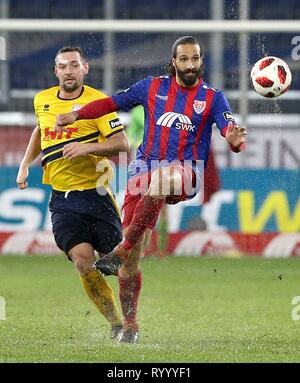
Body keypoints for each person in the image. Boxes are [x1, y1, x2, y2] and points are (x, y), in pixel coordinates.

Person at [55, 36, 247, 343]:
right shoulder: (152, 87)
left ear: (201, 61)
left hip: (186, 173)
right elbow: (112, 102)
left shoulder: (213, 97)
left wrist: (236, 142)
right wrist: (78, 114)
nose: (189, 65)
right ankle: (130, 326)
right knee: (132, 260)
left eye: (195, 59)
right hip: (143, 170)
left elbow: (230, 132)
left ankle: (121, 249)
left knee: (152, 198)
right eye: (183, 59)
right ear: (174, 62)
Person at [16, 46, 131, 341]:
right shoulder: (42, 100)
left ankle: (132, 322)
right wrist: (25, 165)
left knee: (119, 265)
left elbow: (122, 144)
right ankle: (116, 324)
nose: (69, 71)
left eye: (74, 65)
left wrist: (87, 147)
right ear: (56, 71)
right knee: (82, 261)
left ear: (85, 69)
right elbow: (40, 131)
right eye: (63, 66)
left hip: (97, 195)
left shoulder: (99, 102)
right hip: (62, 199)